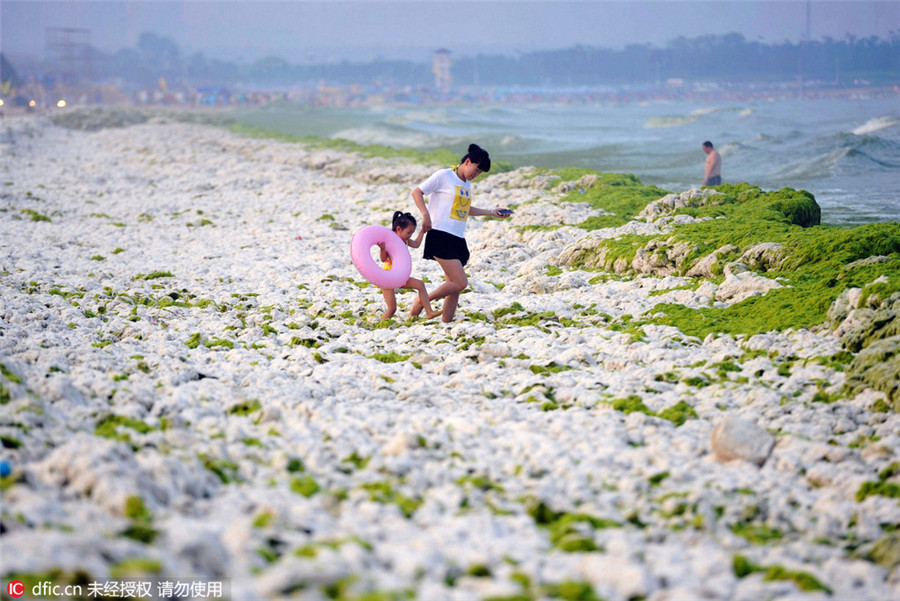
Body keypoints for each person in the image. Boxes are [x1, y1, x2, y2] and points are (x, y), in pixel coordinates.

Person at [410, 143, 511, 323]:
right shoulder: (444, 175)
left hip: (457, 237)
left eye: (480, 173)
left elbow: (465, 209)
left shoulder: (467, 183)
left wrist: (491, 212)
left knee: (454, 286)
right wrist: (425, 215)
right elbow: (417, 192)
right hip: (440, 234)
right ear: (468, 161)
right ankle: (421, 300)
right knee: (460, 282)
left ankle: (446, 323)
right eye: (477, 169)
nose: (477, 174)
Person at [377, 211, 442, 321]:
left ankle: (429, 312)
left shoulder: (404, 240)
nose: (410, 236)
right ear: (398, 229)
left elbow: (416, 244)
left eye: (412, 233)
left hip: (400, 275)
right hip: (387, 276)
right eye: (408, 233)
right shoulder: (390, 242)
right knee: (392, 309)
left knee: (420, 285)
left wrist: (422, 232)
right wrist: (383, 248)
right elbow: (383, 259)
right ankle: (380, 326)